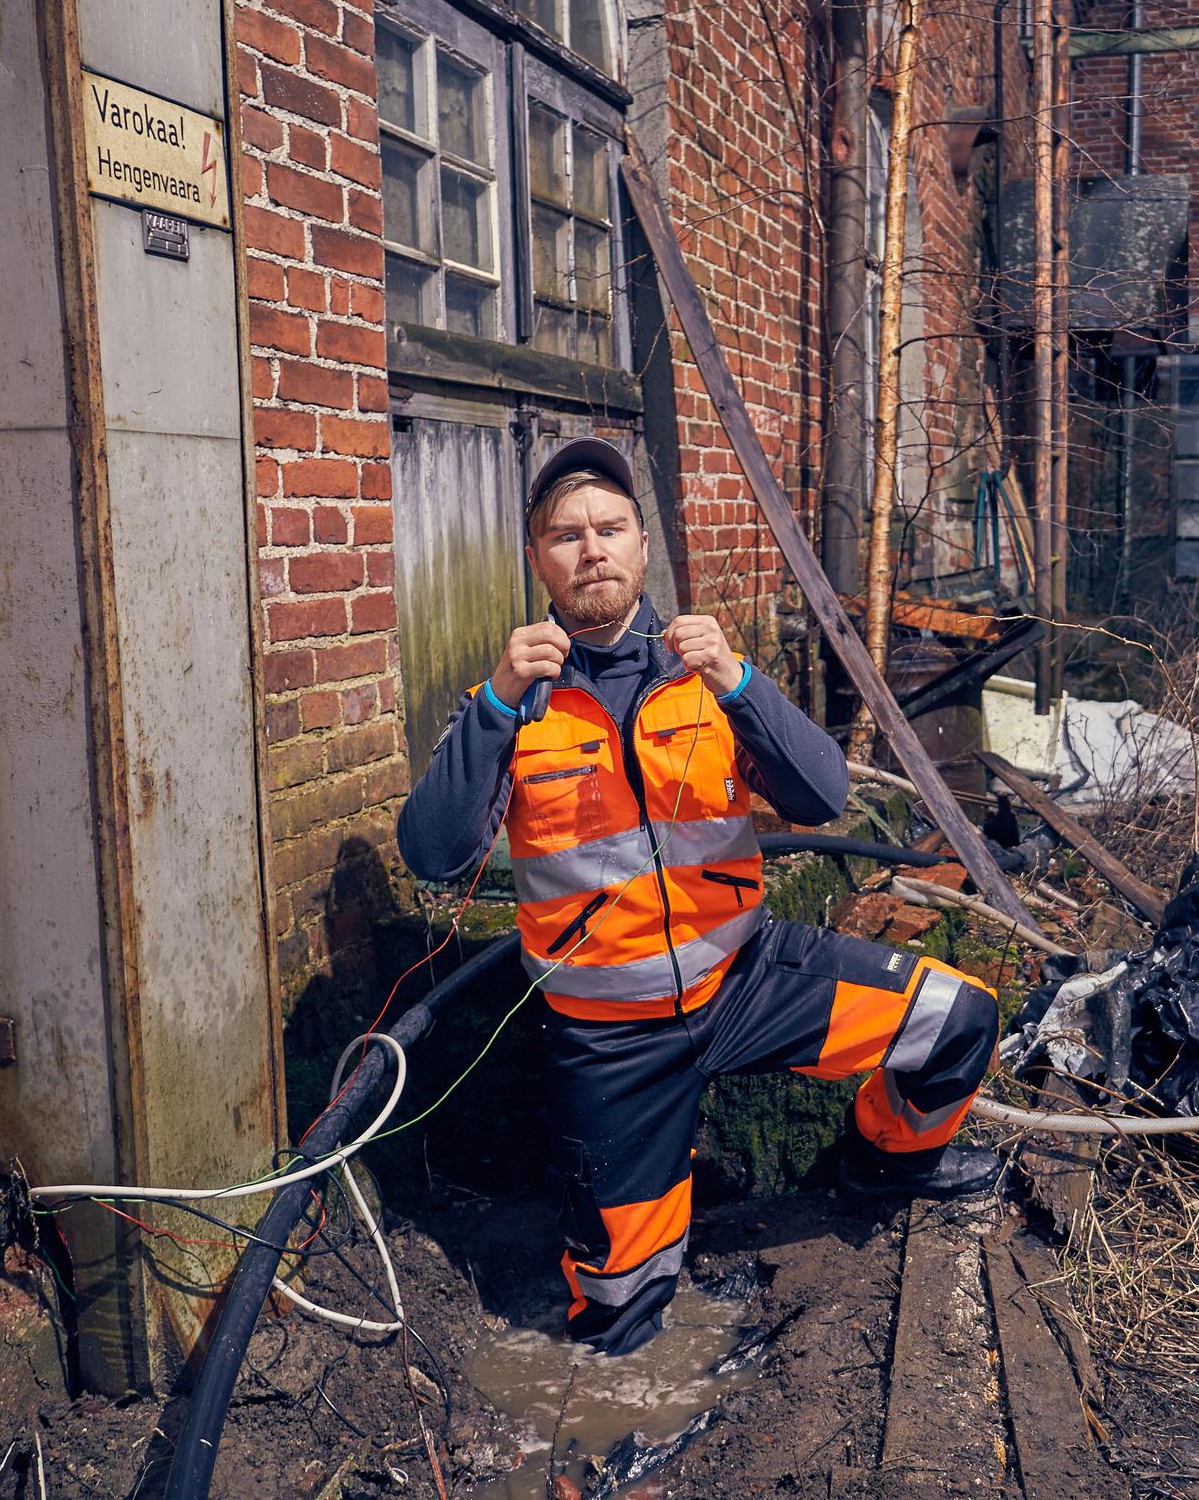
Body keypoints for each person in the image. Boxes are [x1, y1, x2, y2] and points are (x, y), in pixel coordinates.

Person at [397, 437, 1002, 1355]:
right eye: (566, 536)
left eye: (610, 528)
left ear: (644, 547)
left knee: (957, 1021)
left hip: (750, 981)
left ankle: (886, 1167)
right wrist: (491, 703)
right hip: (611, 1043)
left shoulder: (706, 679)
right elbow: (435, 855)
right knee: (618, 1311)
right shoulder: (512, 706)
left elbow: (823, 795)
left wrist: (741, 678)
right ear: (538, 562)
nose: (591, 549)